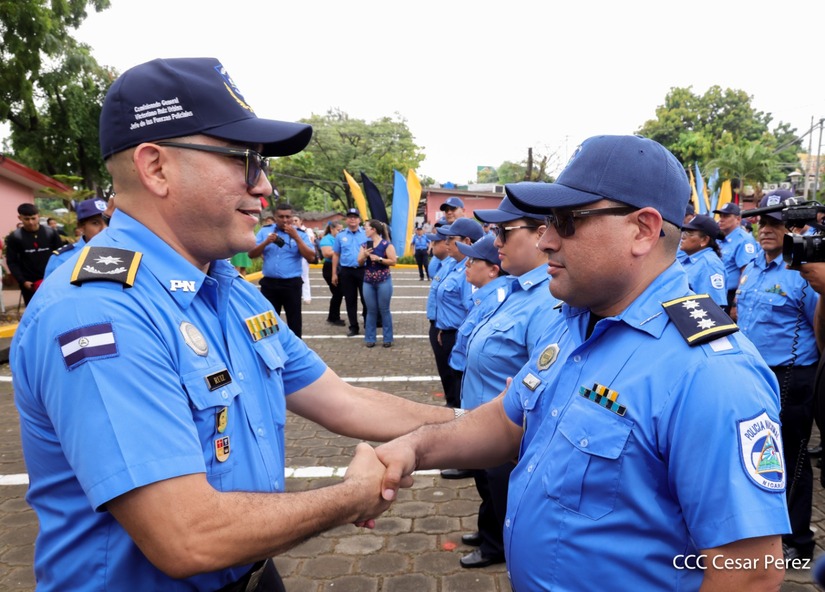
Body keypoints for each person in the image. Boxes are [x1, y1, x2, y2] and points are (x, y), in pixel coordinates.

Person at [11, 57, 458, 592]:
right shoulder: (99, 309)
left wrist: (480, 424)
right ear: (156, 168)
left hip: (254, 573)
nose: (265, 186)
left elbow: (343, 401)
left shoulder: (227, 290)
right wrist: (352, 496)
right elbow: (189, 536)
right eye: (246, 161)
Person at [376, 135, 789, 591]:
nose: (547, 240)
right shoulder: (576, 318)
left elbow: (750, 572)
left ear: (643, 229)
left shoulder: (710, 373)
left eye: (567, 221)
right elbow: (506, 421)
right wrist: (415, 447)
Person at [452, 197, 556, 570]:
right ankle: (489, 533)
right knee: (487, 488)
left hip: (505, 427)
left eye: (504, 232)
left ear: (541, 234)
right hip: (481, 414)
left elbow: (539, 378)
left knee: (501, 489)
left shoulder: (549, 298)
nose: (495, 242)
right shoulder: (516, 287)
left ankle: (498, 545)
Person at [736, 192, 819, 562]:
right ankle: (762, 529)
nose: (767, 229)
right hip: (753, 374)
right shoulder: (754, 266)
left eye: (777, 223)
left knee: (791, 458)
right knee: (757, 454)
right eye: (762, 222)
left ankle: (798, 540)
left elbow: (821, 327)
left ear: (795, 228)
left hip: (793, 377)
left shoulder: (805, 271)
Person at [432, 217, 484, 412]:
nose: (446, 243)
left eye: (451, 238)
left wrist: (454, 334)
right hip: (449, 332)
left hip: (460, 335)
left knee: (460, 383)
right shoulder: (454, 265)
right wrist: (441, 327)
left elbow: (472, 310)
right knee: (451, 380)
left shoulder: (470, 271)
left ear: (467, 241)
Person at [249, 202, 316, 338]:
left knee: (294, 320)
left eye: (288, 217)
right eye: (281, 217)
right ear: (275, 216)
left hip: (291, 284)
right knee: (266, 321)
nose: (285, 220)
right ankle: (268, 351)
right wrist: (266, 242)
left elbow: (310, 257)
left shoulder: (300, 234)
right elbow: (252, 254)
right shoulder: (265, 231)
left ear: (292, 217)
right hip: (269, 284)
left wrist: (296, 237)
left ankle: (296, 354)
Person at [5, 202, 63, 305]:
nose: (31, 222)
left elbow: (61, 255)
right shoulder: (15, 237)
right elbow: (12, 261)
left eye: (33, 218)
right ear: (20, 218)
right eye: (26, 219)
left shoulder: (50, 233)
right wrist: (22, 281)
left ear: (38, 216)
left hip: (51, 281)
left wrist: (58, 276)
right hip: (29, 284)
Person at [43, 198, 108, 279]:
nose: (104, 229)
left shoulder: (123, 253)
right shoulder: (62, 259)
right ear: (81, 226)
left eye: (108, 222)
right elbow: (49, 290)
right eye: (95, 223)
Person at [713, 202, 758, 316]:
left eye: (726, 216)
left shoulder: (744, 240)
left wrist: (736, 302)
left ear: (738, 219)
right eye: (721, 216)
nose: (721, 219)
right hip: (717, 292)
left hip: (731, 294)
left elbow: (746, 273)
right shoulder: (720, 238)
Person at [358, 219, 397, 348]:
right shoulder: (364, 245)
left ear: (373, 229)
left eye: (366, 228)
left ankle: (388, 338)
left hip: (383, 280)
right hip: (368, 281)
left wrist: (379, 259)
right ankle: (370, 338)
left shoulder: (387, 244)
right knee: (371, 310)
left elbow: (393, 261)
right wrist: (364, 255)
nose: (365, 230)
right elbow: (359, 262)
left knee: (384, 309)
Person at [332, 208, 368, 337]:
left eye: (355, 217)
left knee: (366, 300)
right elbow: (336, 254)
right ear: (346, 220)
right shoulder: (341, 235)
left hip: (363, 270)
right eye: (350, 217)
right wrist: (334, 273)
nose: (352, 219)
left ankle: (368, 325)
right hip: (347, 271)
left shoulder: (365, 234)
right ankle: (353, 326)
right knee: (350, 300)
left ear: (359, 220)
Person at [678, 214, 727, 308]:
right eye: (683, 232)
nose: (683, 237)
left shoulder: (710, 264)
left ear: (704, 240)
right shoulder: (690, 259)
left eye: (689, 234)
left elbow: (713, 308)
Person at [319, 220, 345, 326]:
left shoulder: (338, 239)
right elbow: (327, 253)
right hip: (330, 268)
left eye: (341, 230)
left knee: (338, 293)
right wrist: (341, 250)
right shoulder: (327, 239)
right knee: (337, 292)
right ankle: (333, 317)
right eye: (338, 230)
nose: (340, 232)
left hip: (340, 266)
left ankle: (333, 316)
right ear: (332, 229)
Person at [293, 214, 314, 304]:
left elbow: (311, 241)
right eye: (292, 220)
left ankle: (307, 296)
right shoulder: (288, 231)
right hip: (293, 255)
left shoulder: (307, 231)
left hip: (304, 255)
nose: (294, 222)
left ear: (301, 221)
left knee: (304, 276)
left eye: (296, 220)